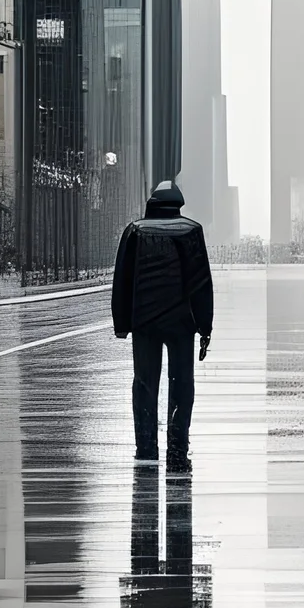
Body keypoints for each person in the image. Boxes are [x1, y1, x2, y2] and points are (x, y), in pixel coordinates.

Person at [111, 178, 214, 470]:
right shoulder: (192, 231)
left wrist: (122, 323)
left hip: (144, 323)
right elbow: (202, 284)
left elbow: (123, 281)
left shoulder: (135, 231)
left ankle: (146, 446)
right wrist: (205, 327)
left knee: (144, 384)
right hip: (182, 324)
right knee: (182, 384)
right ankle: (178, 446)